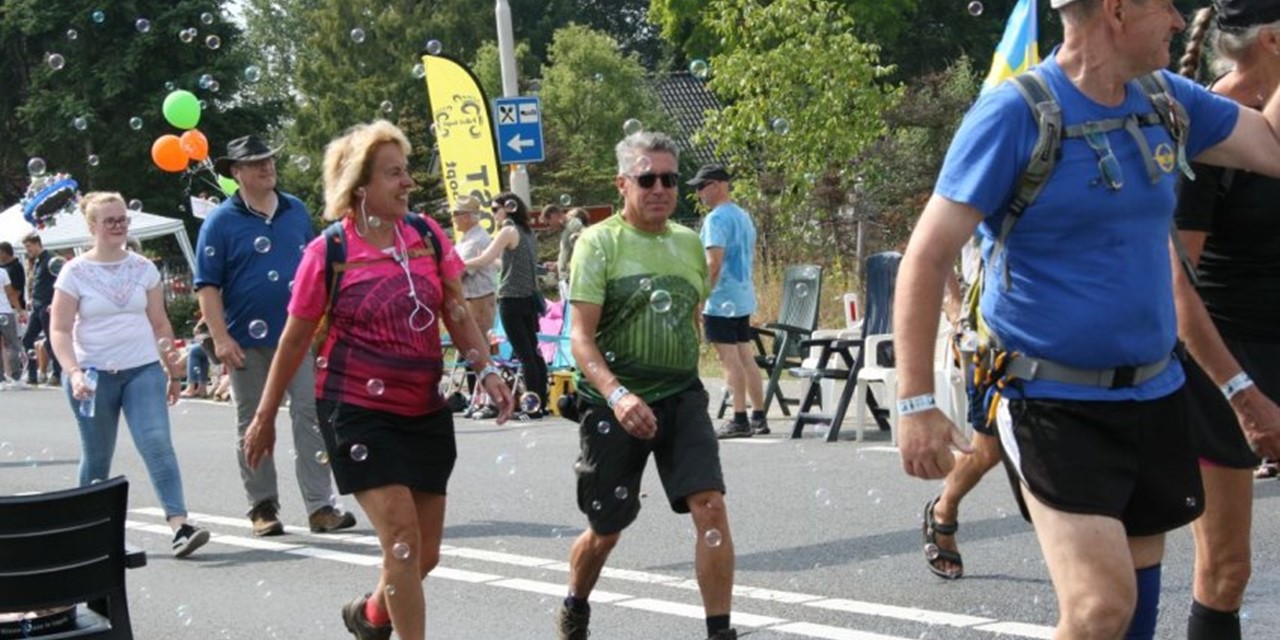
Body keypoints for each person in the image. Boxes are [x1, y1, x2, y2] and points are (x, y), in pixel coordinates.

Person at [894, 1, 1280, 638]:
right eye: (1166, 7)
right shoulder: (1015, 114)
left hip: (1154, 394)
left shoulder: (1166, 98)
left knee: (1134, 617)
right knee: (1101, 606)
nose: (1182, 23)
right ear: (1118, 10)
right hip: (1051, 401)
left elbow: (1269, 145)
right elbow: (927, 255)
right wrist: (914, 403)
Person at [240, 119, 513, 640]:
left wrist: (486, 369)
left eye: (406, 170)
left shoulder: (427, 235)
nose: (408, 182)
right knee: (403, 540)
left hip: (424, 407)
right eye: (394, 173)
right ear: (359, 186)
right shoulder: (330, 252)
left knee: (424, 553)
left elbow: (455, 310)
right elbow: (294, 341)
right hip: (357, 410)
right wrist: (264, 417)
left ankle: (369, 616)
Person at [556, 131, 738, 640]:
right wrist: (618, 394)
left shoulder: (686, 244)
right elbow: (581, 338)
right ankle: (576, 601)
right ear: (622, 184)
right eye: (646, 178)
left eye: (670, 178)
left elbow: (690, 315)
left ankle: (719, 631)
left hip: (681, 397)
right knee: (606, 531)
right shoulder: (598, 243)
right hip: (614, 404)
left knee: (711, 507)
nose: (660, 187)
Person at [1175, 4, 1280, 638]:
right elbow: (1176, 283)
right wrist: (1242, 395)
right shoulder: (1208, 128)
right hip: (1225, 358)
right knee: (1227, 570)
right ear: (1272, 39)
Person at [195, 134, 354, 537]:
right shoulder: (220, 221)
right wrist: (220, 337)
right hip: (245, 340)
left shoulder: (295, 211)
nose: (267, 167)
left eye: (269, 160)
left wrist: (328, 322)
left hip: (297, 336)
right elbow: (207, 286)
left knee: (311, 418)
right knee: (252, 422)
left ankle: (321, 507)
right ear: (236, 172)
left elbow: (319, 270)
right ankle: (262, 507)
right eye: (256, 162)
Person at [47, 192, 210, 558]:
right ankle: (85, 530)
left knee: (156, 443)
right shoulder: (75, 272)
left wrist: (172, 369)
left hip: (142, 370)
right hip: (92, 375)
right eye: (110, 220)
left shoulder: (143, 268)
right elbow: (59, 329)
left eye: (123, 219)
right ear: (92, 227)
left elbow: (159, 323)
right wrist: (73, 372)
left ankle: (180, 525)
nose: (119, 226)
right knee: (98, 455)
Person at [690, 163, 768, 439]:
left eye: (702, 186)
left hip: (721, 297)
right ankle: (759, 415)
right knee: (746, 356)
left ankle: (738, 418)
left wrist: (701, 296)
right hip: (743, 296)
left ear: (717, 185)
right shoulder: (743, 215)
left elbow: (713, 263)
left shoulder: (716, 220)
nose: (699, 193)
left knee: (728, 360)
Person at [464, 192, 549, 417]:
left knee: (525, 355)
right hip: (529, 299)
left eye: (495, 209)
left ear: (507, 209)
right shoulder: (526, 231)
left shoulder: (507, 230)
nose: (493, 215)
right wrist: (492, 260)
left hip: (511, 299)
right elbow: (508, 265)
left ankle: (534, 407)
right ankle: (542, 403)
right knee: (533, 351)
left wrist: (456, 264)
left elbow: (482, 260)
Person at [452, 195, 500, 419]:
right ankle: (476, 398)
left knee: (481, 350)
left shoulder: (476, 240)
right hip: (469, 299)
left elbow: (458, 272)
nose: (454, 218)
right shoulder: (464, 239)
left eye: (458, 214)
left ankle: (489, 400)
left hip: (479, 299)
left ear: (470, 216)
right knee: (471, 351)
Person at [21, 232, 62, 386]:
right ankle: (32, 375)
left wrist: (55, 302)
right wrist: (31, 298)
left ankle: (57, 373)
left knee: (52, 341)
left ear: (38, 243)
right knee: (27, 339)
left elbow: (63, 280)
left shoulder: (51, 259)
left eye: (29, 246)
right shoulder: (38, 261)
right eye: (26, 247)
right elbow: (39, 282)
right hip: (37, 305)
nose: (28, 250)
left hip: (47, 306)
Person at [0, 259, 26, 391]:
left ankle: (1, 380)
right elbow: (10, 294)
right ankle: (16, 378)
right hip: (4, 311)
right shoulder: (2, 272)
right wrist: (20, 310)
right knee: (13, 344)